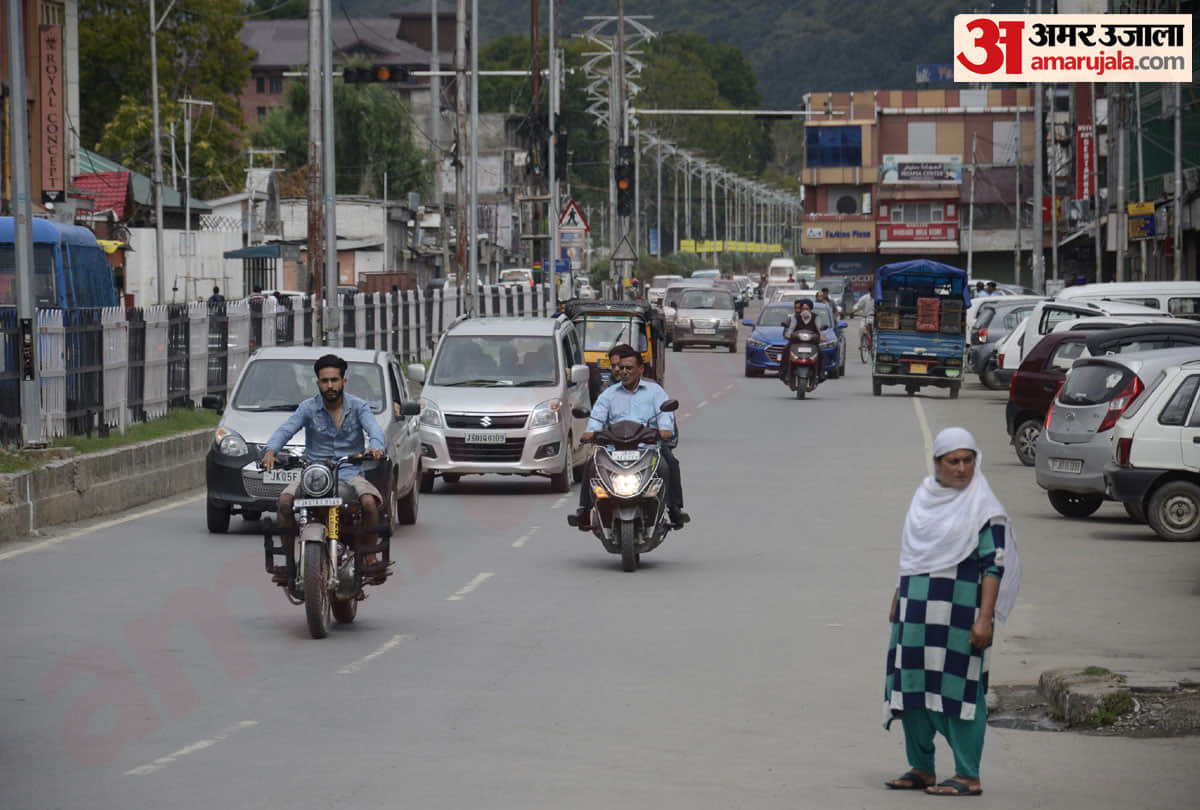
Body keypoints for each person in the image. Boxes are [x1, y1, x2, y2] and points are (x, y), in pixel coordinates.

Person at [883, 427, 1021, 797]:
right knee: (910, 685)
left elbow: (994, 566)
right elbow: (913, 553)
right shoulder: (923, 499)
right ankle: (921, 767)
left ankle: (967, 775)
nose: (961, 468)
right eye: (953, 461)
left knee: (960, 690)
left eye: (968, 460)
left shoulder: (984, 507)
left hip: (958, 615)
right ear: (937, 464)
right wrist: (899, 594)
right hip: (916, 611)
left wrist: (985, 618)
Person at [261, 354, 387, 583]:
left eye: (334, 380)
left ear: (343, 382)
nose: (330, 386)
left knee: (369, 504)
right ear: (318, 383)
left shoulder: (359, 407)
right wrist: (270, 451)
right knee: (284, 504)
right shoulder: (307, 408)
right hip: (314, 475)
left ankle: (368, 556)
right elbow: (285, 430)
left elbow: (374, 431)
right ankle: (290, 563)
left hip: (350, 473)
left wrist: (376, 447)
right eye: (325, 381)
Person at [571, 344, 687, 530]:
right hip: (614, 449)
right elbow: (597, 417)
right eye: (621, 368)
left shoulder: (655, 391)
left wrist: (664, 431)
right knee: (591, 464)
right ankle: (584, 510)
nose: (624, 372)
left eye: (629, 368)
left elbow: (665, 416)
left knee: (669, 464)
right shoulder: (608, 395)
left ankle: (674, 508)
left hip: (648, 447)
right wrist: (590, 433)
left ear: (640, 369)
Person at [780, 299, 824, 381]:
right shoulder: (796, 318)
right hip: (796, 342)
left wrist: (821, 337)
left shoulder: (816, 317)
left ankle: (821, 373)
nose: (805, 311)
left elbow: (819, 330)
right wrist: (788, 334)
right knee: (785, 350)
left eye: (807, 309)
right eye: (803, 309)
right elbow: (791, 329)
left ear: (810, 309)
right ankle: (784, 373)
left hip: (812, 343)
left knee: (821, 352)